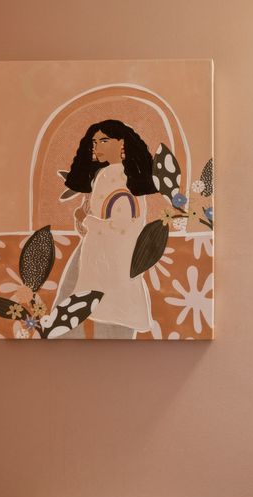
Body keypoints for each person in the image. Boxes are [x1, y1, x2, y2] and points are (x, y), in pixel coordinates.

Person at [60, 119, 160, 337]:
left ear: (122, 143)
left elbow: (123, 227)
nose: (97, 147)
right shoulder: (104, 175)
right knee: (80, 306)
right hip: (98, 252)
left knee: (106, 311)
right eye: (94, 142)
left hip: (115, 256)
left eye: (104, 141)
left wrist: (86, 219)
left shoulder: (124, 177)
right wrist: (84, 219)